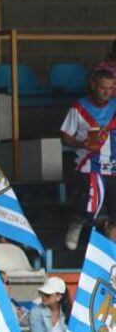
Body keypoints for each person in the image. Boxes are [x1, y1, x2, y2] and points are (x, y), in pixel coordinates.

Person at [60, 68, 116, 249]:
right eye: (103, 88)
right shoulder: (79, 107)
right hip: (89, 164)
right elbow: (66, 137)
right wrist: (82, 144)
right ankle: (77, 223)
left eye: (111, 88)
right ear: (93, 85)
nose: (107, 92)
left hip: (114, 166)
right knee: (90, 203)